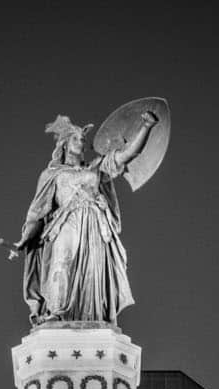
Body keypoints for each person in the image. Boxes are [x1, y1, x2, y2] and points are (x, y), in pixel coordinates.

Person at [11, 110, 159, 326]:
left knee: (92, 275)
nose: (81, 141)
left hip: (94, 226)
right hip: (65, 224)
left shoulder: (97, 168)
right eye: (76, 138)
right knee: (61, 265)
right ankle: (57, 312)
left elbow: (126, 155)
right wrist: (24, 239)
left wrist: (146, 126)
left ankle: (92, 317)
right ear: (64, 145)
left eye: (83, 138)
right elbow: (37, 212)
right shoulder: (51, 175)